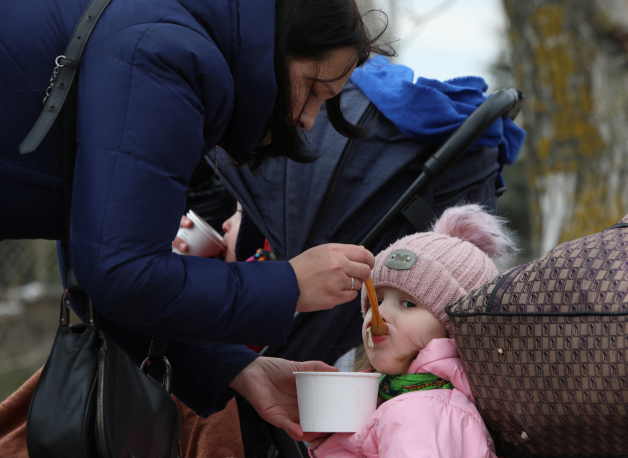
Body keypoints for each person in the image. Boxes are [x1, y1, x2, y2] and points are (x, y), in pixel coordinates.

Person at [0, 0, 393, 439]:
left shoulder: (167, 31)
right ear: (278, 45)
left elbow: (97, 265)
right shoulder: (170, 52)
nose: (307, 121)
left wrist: (235, 367)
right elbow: (122, 272)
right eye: (315, 90)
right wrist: (290, 285)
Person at [310, 204, 517, 457]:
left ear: (454, 330)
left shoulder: (420, 412)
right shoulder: (392, 394)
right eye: (379, 299)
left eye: (408, 304)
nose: (380, 314)